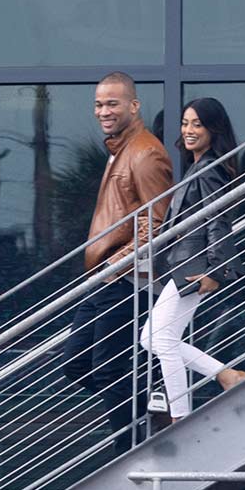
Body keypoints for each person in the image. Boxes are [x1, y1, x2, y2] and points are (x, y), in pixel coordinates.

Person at [61, 73, 175, 437]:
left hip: (124, 278)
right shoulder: (119, 150)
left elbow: (158, 220)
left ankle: (131, 446)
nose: (103, 111)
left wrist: (117, 262)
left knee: (108, 369)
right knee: (77, 363)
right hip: (104, 278)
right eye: (98, 104)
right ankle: (150, 412)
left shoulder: (145, 154)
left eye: (112, 103)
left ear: (134, 106)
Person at [140, 98, 245, 425]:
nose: (188, 130)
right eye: (186, 123)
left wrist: (215, 270)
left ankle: (180, 418)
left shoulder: (209, 167)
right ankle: (226, 375)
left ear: (213, 129)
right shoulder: (200, 165)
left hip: (195, 266)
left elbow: (217, 219)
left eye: (197, 124)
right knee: (152, 338)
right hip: (186, 265)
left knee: (160, 339)